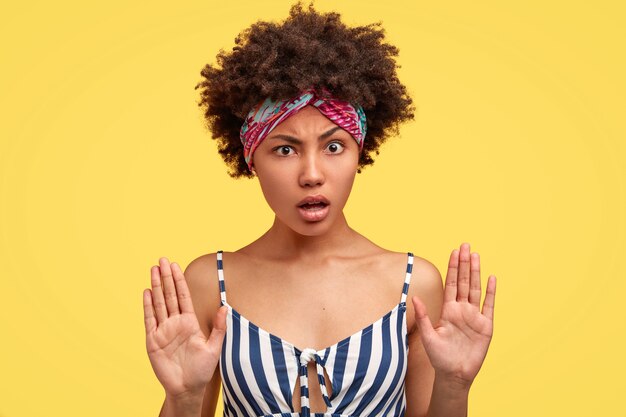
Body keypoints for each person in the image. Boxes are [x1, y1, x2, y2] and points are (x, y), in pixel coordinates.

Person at [142, 2, 497, 417]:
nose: (312, 174)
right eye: (285, 149)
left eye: (333, 146)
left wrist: (455, 385)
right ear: (252, 158)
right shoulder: (208, 283)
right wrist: (182, 398)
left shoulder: (414, 285)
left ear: (359, 151)